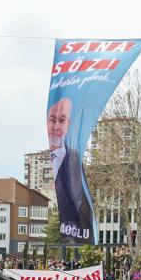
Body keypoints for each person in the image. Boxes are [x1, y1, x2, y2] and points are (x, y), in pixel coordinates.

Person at [47, 97, 94, 243]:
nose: (56, 127)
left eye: (61, 120)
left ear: (68, 124)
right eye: (52, 120)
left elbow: (82, 205)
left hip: (74, 233)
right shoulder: (45, 161)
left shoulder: (75, 161)